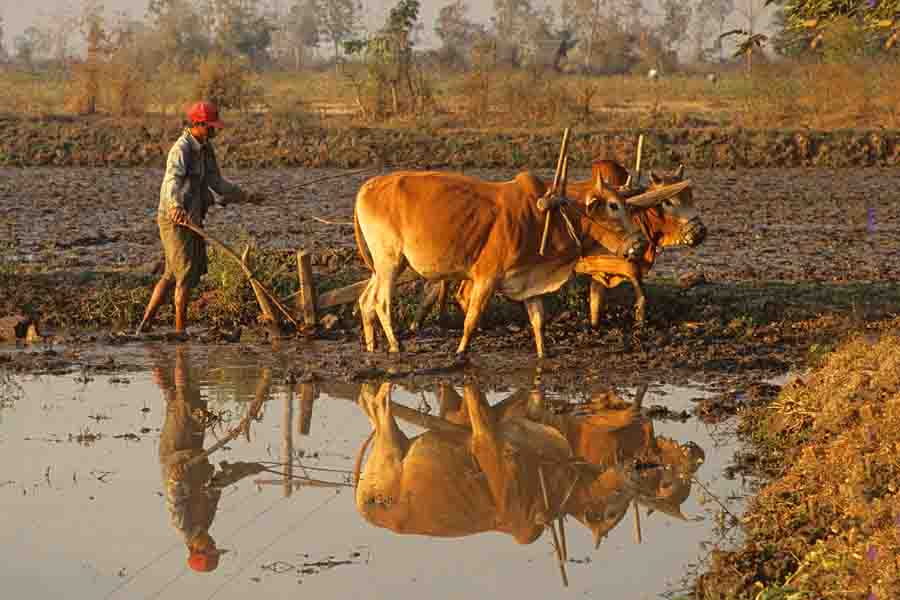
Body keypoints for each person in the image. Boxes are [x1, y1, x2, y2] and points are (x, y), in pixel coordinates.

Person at [136, 101, 258, 336]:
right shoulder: (181, 149)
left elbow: (217, 183)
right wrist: (175, 207)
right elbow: (171, 182)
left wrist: (246, 196)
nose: (215, 131)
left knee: (172, 274)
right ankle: (181, 333)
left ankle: (144, 326)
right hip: (175, 219)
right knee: (186, 276)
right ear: (198, 124)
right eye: (211, 127)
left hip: (192, 216)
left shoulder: (206, 149)